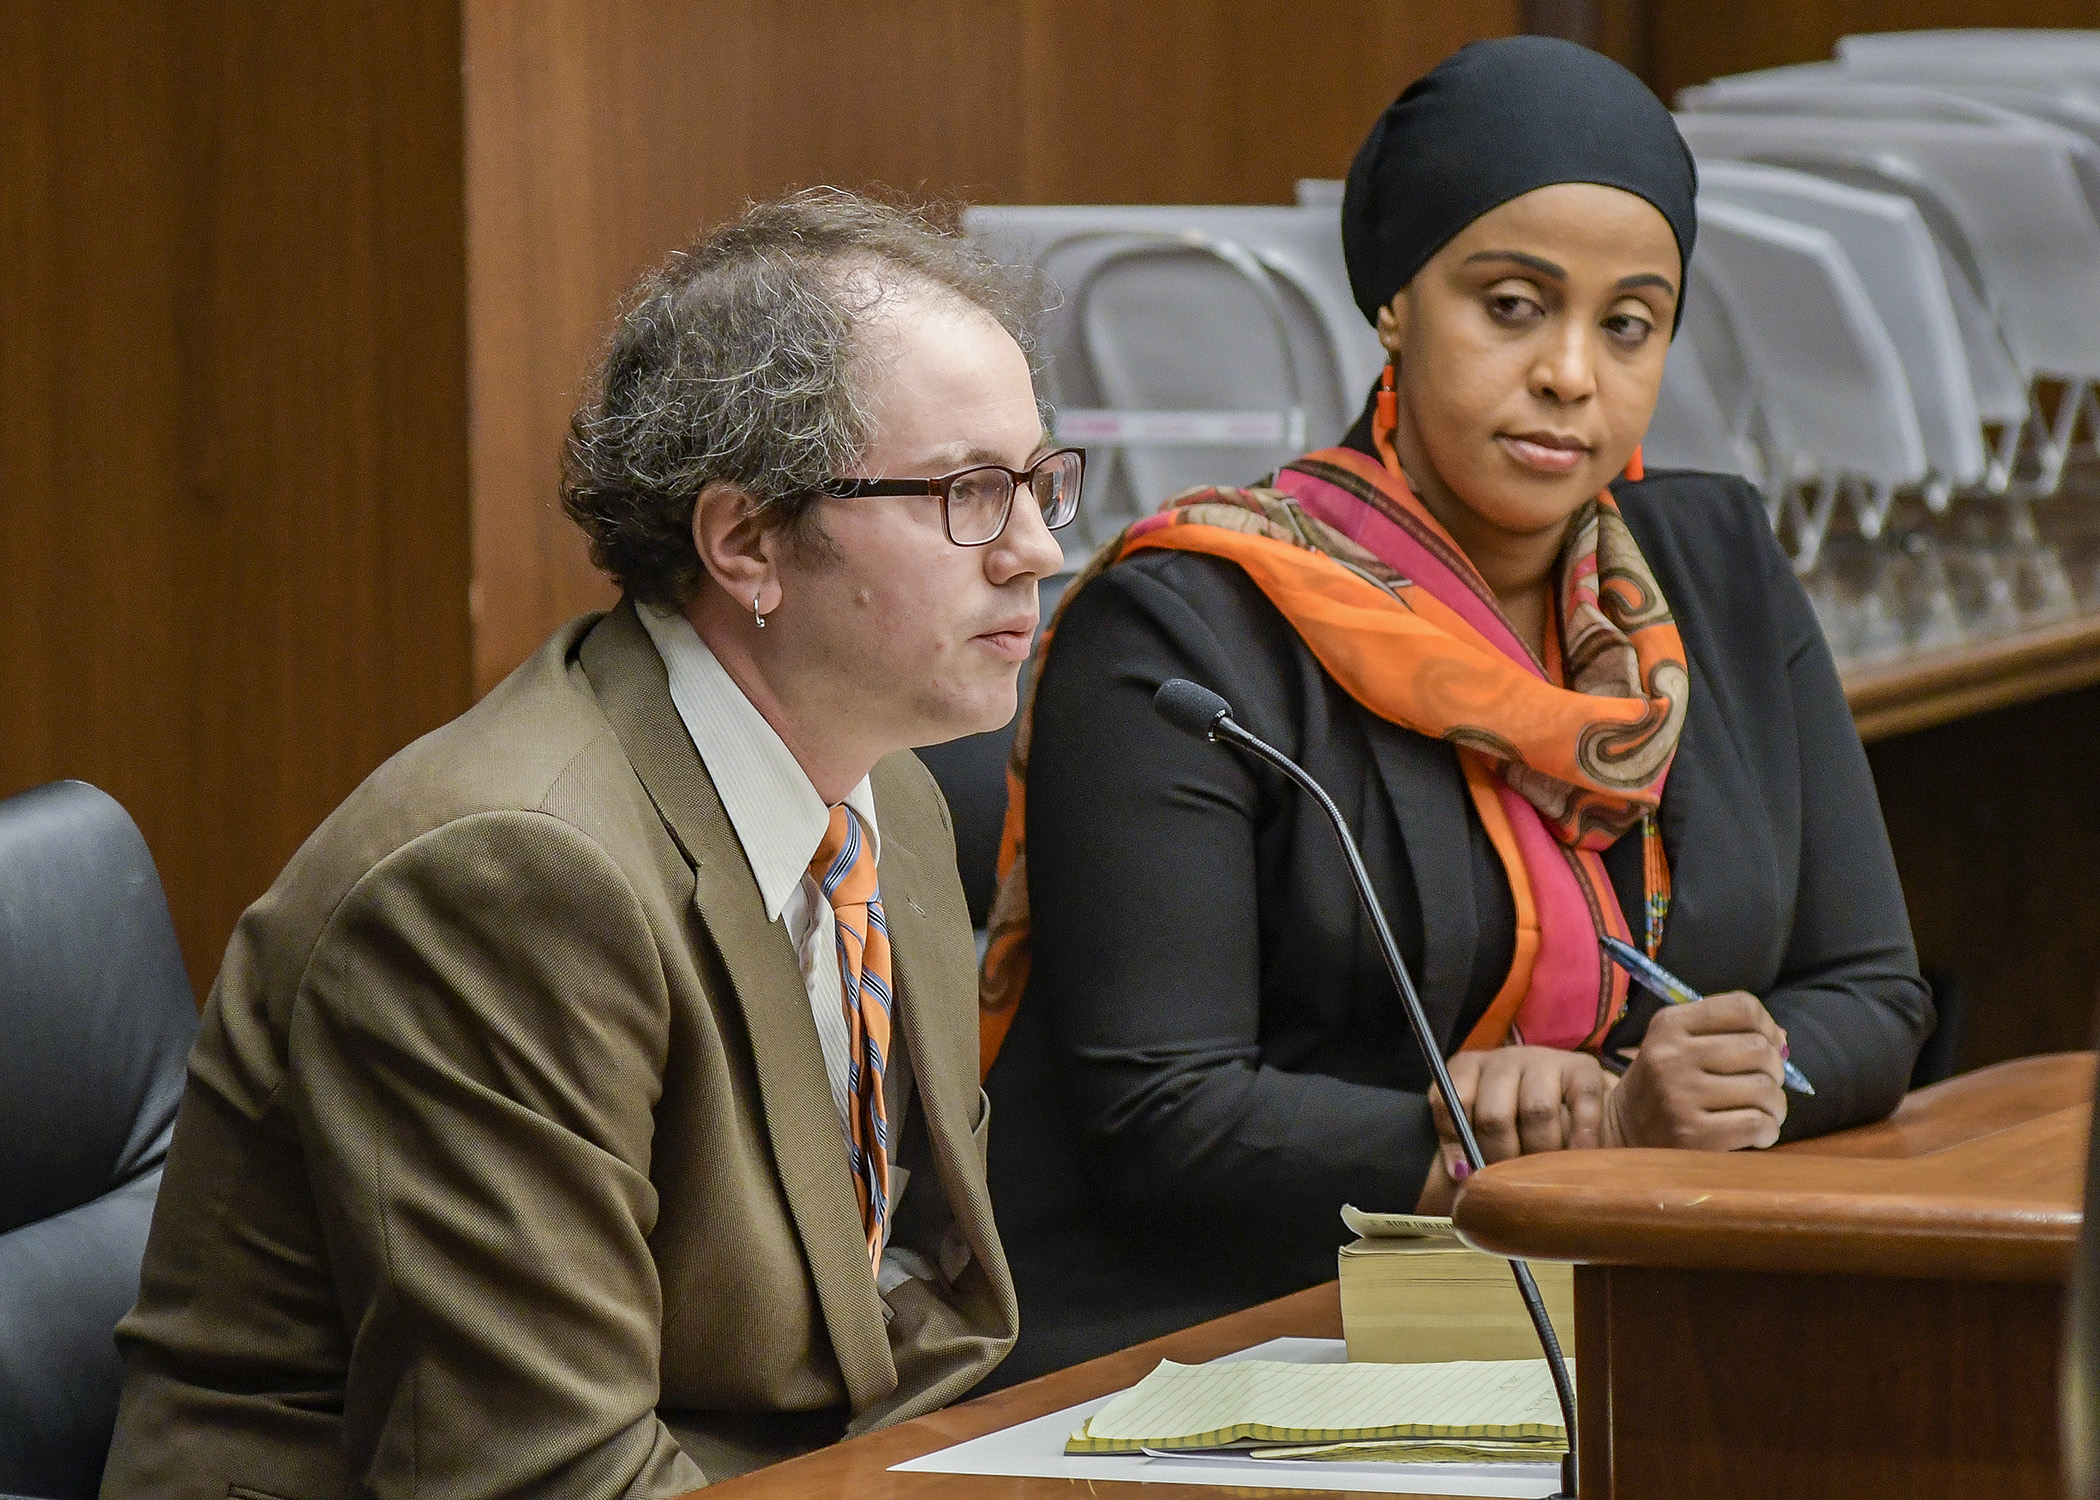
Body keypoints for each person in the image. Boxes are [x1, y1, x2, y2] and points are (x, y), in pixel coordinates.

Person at [978, 36, 1933, 1385]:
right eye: (1511, 304)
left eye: (1628, 322)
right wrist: (1581, 1127)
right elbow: (1166, 1117)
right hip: (1258, 1339)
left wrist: (1715, 1086)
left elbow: (1874, 991)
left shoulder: (1711, 568)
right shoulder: (1194, 623)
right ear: (1394, 307)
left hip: (1622, 1307)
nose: (1568, 374)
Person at [101, 190, 1075, 1497]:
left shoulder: (885, 796)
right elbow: (539, 1472)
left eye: (1040, 482)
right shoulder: (511, 876)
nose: (1039, 549)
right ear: (746, 544)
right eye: (969, 491)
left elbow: (912, 1327)